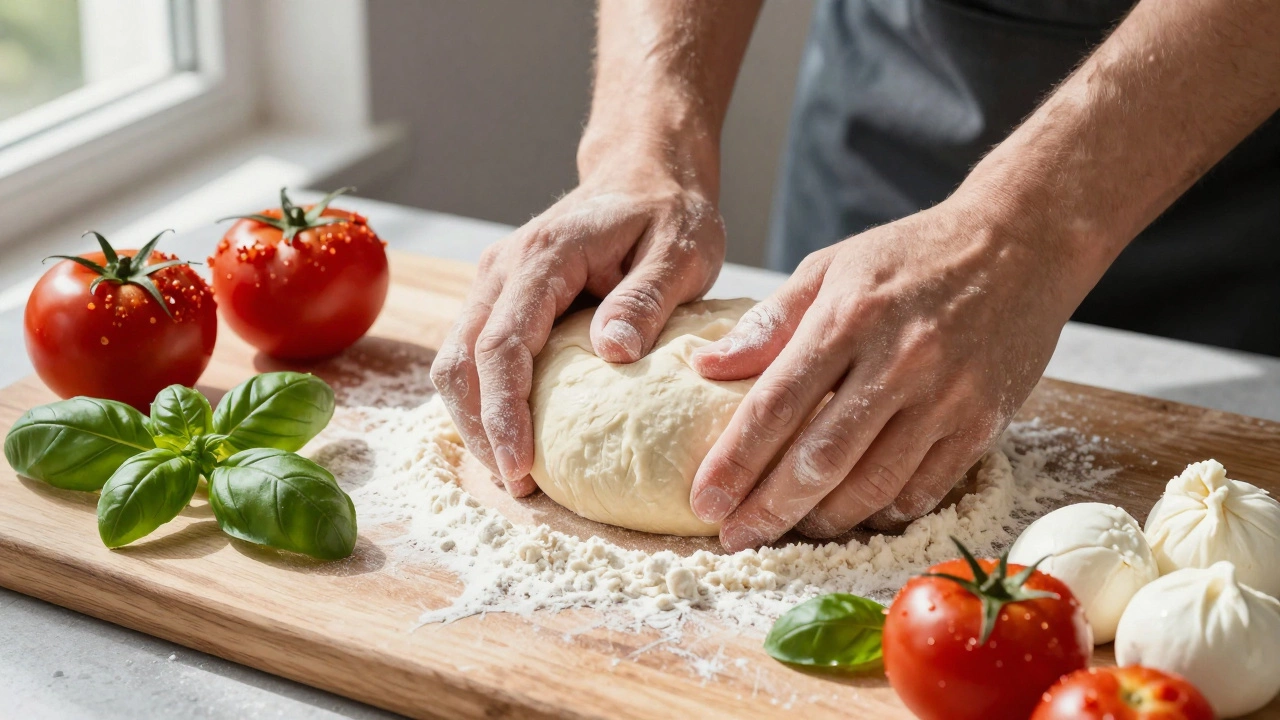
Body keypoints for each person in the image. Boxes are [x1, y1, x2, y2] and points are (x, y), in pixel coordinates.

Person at [430, 0, 1280, 552]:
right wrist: (641, 139)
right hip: (898, 79)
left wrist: (1024, 236)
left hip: (1223, 148)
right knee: (817, 399)